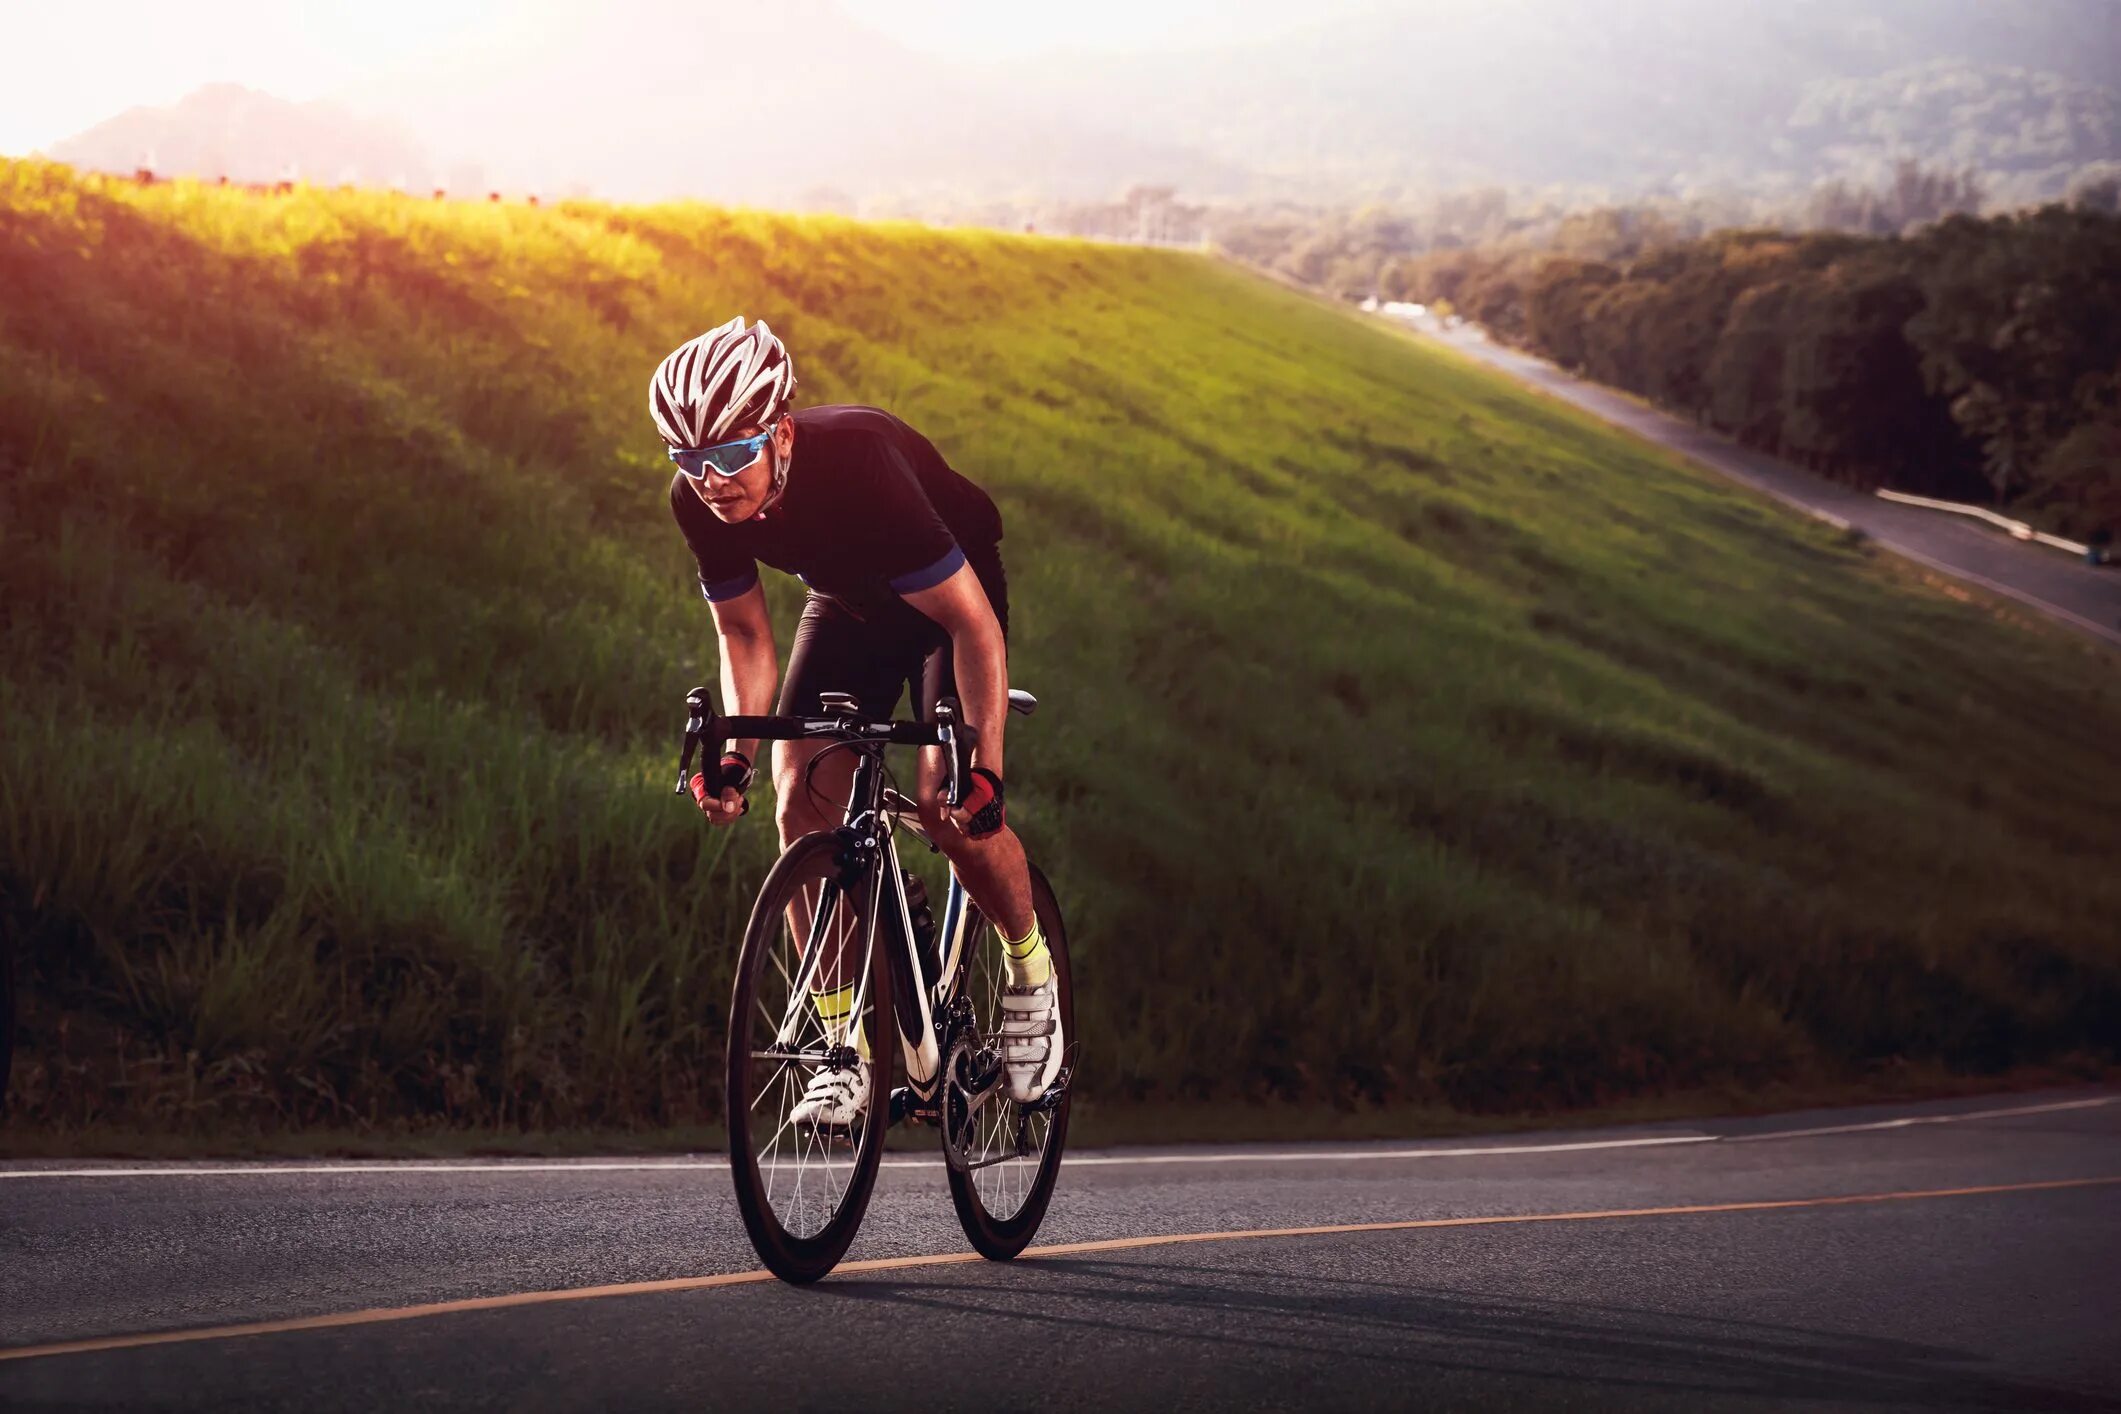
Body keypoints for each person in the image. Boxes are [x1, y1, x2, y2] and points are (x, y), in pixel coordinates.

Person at [654, 316, 1060, 1126]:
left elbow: (970, 628)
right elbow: (743, 634)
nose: (712, 480)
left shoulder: (862, 464)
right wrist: (733, 754)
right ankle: (843, 1050)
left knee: (953, 810)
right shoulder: (698, 501)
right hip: (847, 604)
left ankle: (1030, 975)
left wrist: (987, 771)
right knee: (797, 792)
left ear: (779, 432)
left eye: (732, 455)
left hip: (947, 601)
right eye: (690, 460)